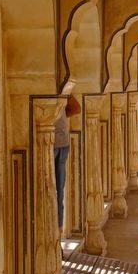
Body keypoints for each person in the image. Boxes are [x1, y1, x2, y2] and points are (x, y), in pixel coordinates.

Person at [54, 94, 81, 236]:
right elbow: (76, 108)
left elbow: (76, 108)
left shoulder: (52, 85)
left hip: (51, 143)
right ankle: (57, 237)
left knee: (50, 192)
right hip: (62, 142)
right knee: (58, 193)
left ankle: (54, 238)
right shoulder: (62, 87)